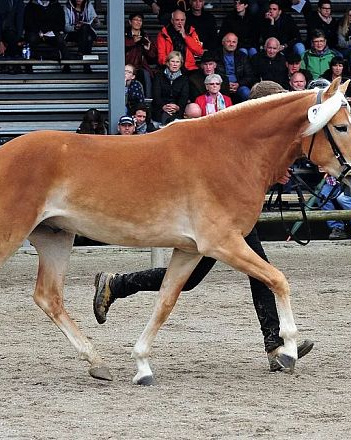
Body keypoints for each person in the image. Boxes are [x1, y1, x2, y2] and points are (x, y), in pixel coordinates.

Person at [93, 81, 315, 373]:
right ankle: (274, 345)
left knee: (201, 276)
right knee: (259, 272)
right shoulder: (240, 134)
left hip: (228, 213)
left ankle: (117, 285)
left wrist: (277, 173)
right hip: (219, 213)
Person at [24, 0, 70, 73]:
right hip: (36, 32)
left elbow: (61, 23)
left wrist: (49, 31)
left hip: (51, 32)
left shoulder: (56, 5)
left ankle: (67, 65)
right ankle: (28, 66)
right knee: (31, 39)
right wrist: (38, 31)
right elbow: (27, 22)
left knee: (60, 40)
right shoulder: (31, 5)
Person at [151, 50, 189, 126]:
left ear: (181, 64)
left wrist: (177, 107)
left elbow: (184, 96)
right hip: (160, 107)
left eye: (177, 62)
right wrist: (163, 106)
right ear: (168, 63)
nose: (175, 64)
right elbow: (156, 95)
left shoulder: (184, 79)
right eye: (173, 61)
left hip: (177, 108)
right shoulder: (159, 76)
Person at [125, 12, 157, 99]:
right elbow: (119, 49)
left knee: (146, 75)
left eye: (140, 20)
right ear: (130, 22)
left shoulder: (145, 37)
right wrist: (133, 42)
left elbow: (152, 58)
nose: (138, 22)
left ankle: (147, 101)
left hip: (141, 67)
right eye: (135, 19)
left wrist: (148, 50)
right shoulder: (124, 35)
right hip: (126, 66)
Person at [216, 32, 255, 102]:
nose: (231, 44)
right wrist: (225, 84)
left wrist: (238, 84)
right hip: (220, 85)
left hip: (239, 85)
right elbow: (213, 74)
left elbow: (249, 75)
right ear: (223, 42)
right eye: (228, 41)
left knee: (246, 93)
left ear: (237, 44)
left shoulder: (242, 56)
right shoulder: (216, 55)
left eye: (234, 42)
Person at [64, 0, 100, 73]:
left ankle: (81, 52)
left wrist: (96, 21)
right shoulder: (66, 7)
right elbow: (65, 26)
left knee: (85, 29)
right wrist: (75, 27)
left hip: (87, 32)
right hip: (73, 33)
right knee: (88, 38)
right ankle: (87, 66)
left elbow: (97, 25)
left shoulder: (89, 6)